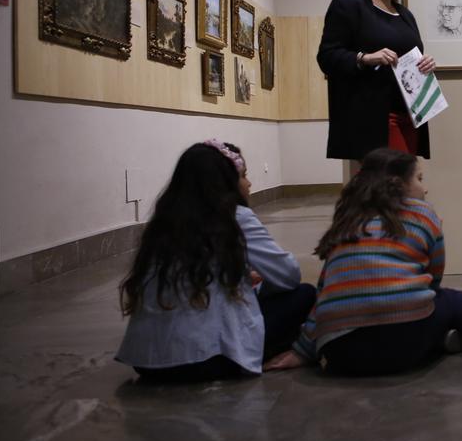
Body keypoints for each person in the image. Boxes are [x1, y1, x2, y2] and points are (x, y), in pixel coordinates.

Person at [264, 149, 462, 375]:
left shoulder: (346, 220)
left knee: (350, 301)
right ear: (398, 183)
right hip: (405, 345)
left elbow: (325, 293)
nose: (425, 188)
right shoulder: (423, 214)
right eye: (420, 179)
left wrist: (302, 351)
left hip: (341, 356)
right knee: (452, 300)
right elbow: (433, 280)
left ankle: (447, 340)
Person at [115, 141, 315, 381]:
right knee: (303, 294)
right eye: (243, 176)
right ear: (226, 183)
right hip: (208, 362)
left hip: (148, 363)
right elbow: (288, 274)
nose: (249, 184)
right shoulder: (236, 218)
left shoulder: (164, 221)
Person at [317, 0, 437, 161]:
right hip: (374, 115)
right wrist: (365, 58)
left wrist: (425, 62)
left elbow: (410, 57)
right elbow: (327, 56)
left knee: (404, 181)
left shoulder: (406, 15)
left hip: (411, 113)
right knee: (389, 184)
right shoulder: (348, 6)